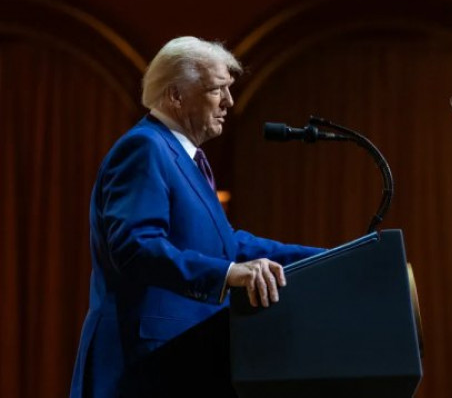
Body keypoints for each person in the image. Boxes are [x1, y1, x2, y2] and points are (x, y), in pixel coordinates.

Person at [69, 36, 323, 398]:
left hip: (179, 361)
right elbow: (136, 247)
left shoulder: (183, 157)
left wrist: (331, 259)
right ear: (176, 95)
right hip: (142, 362)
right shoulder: (145, 147)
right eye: (217, 89)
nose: (229, 101)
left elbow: (228, 245)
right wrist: (226, 274)